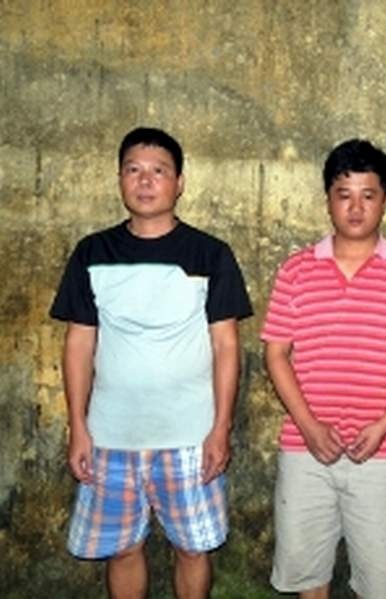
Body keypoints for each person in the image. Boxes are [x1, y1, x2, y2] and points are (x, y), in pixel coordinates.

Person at [50, 127, 253, 599]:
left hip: (190, 436)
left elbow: (226, 346)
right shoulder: (92, 252)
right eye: (133, 170)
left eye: (158, 171)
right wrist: (78, 426)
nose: (145, 181)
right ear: (120, 179)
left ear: (179, 183)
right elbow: (79, 343)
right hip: (111, 435)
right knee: (123, 549)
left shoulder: (210, 254)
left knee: (193, 549)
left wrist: (220, 428)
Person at [261, 138, 386, 599]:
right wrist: (309, 426)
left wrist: (383, 425)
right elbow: (276, 353)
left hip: (382, 450)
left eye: (368, 195)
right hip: (305, 450)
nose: (356, 208)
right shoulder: (296, 271)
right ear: (328, 200)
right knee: (308, 576)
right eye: (344, 195)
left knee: (380, 583)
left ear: (385, 200)